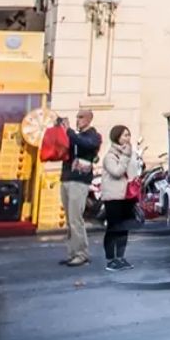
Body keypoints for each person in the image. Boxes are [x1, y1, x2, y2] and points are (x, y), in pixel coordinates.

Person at [60, 109, 102, 267]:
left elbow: (86, 144)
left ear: (89, 119)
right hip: (66, 178)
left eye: (81, 117)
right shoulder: (73, 136)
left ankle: (81, 254)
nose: (78, 120)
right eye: (77, 117)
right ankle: (72, 253)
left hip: (79, 181)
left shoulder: (93, 136)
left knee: (76, 218)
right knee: (69, 220)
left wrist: (69, 131)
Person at [100, 125, 141, 271]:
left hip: (127, 196)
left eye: (128, 135)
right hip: (113, 196)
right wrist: (125, 157)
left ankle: (121, 257)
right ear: (116, 137)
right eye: (124, 135)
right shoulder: (110, 156)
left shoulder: (130, 153)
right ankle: (111, 260)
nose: (127, 138)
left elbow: (133, 172)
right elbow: (117, 172)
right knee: (113, 228)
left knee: (124, 228)